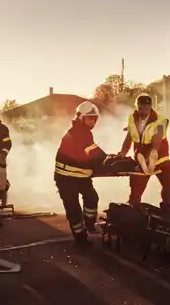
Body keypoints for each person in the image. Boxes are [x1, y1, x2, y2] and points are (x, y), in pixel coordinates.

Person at [55, 101, 109, 246]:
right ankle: (80, 237)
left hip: (80, 176)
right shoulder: (78, 132)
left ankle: (89, 224)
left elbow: (91, 153)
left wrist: (107, 159)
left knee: (91, 198)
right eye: (89, 118)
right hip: (66, 179)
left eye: (94, 119)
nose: (92, 122)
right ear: (80, 117)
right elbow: (94, 153)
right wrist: (108, 160)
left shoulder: (84, 132)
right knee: (73, 210)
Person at [118, 94, 170, 210]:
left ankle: (169, 211)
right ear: (136, 107)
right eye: (140, 108)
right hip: (141, 159)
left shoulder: (161, 122)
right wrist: (122, 153)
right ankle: (132, 211)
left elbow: (156, 145)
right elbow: (129, 137)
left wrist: (145, 161)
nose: (143, 111)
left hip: (160, 160)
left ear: (150, 107)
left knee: (169, 188)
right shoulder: (132, 118)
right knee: (136, 189)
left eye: (146, 108)